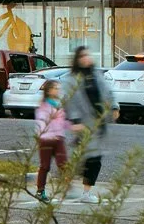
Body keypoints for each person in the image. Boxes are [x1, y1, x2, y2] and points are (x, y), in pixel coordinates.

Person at [64, 46, 118, 205]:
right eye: (82, 56)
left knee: (93, 159)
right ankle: (70, 186)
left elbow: (108, 92)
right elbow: (69, 101)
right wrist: (75, 121)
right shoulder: (72, 79)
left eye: (88, 55)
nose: (86, 58)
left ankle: (84, 192)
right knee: (86, 158)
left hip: (99, 123)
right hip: (83, 125)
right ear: (77, 59)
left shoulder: (96, 76)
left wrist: (114, 107)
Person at [32, 77, 73, 201]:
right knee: (45, 166)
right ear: (49, 91)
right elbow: (42, 122)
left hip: (59, 138)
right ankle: (40, 191)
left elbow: (62, 122)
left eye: (58, 88)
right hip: (46, 139)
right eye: (55, 88)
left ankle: (67, 188)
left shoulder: (58, 105)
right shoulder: (43, 106)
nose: (58, 90)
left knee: (63, 164)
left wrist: (74, 127)